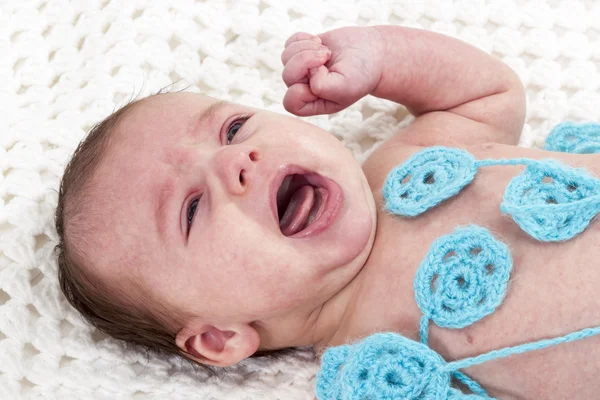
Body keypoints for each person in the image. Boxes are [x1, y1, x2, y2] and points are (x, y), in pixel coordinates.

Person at [55, 26, 599, 398]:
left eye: (233, 128)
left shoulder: (402, 161)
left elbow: (488, 94)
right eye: (191, 209)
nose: (234, 161)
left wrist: (378, 57)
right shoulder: (375, 371)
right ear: (219, 338)